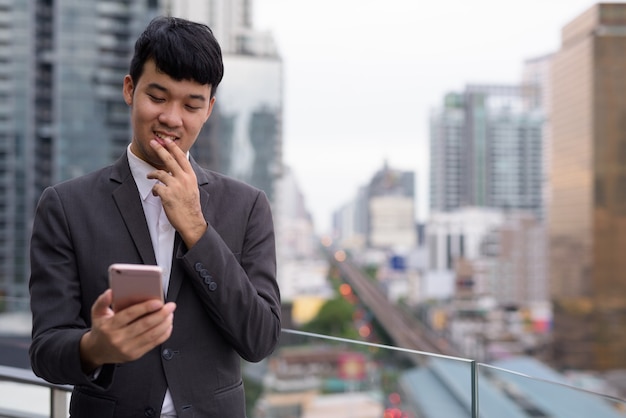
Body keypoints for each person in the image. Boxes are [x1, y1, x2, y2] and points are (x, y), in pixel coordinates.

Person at [28, 16, 281, 417]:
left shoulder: (247, 206)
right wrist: (96, 347)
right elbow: (45, 351)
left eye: (191, 104)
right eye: (158, 97)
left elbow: (260, 339)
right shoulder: (66, 206)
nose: (172, 118)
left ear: (209, 109)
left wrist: (196, 227)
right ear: (130, 89)